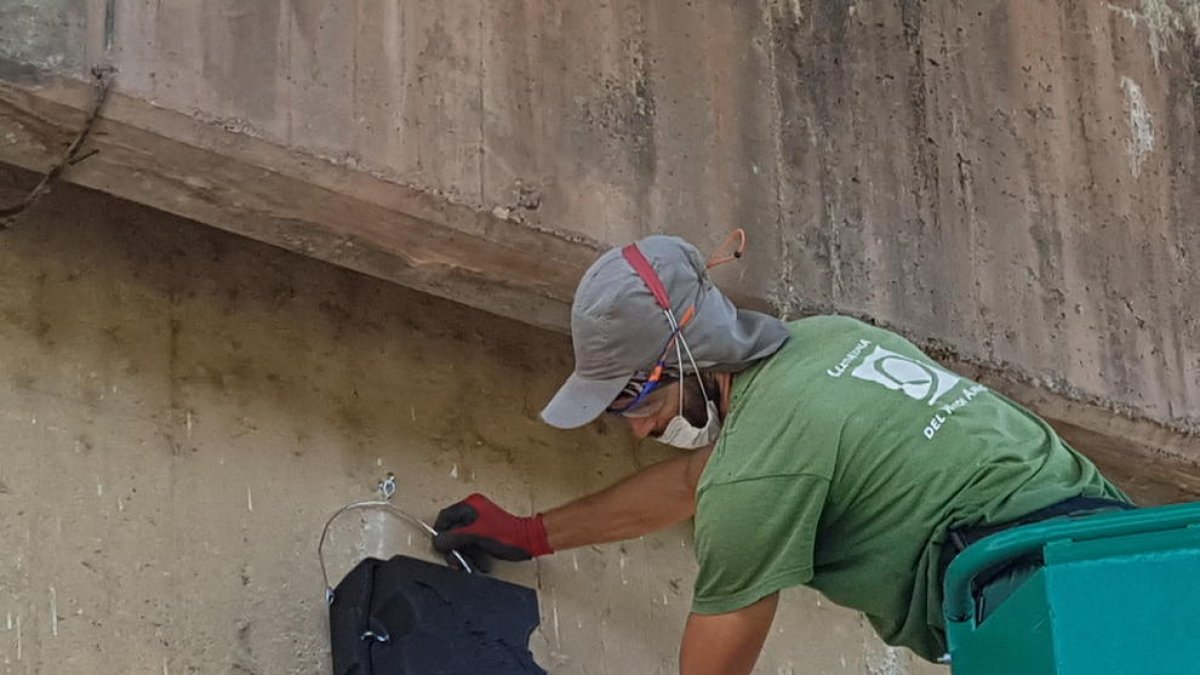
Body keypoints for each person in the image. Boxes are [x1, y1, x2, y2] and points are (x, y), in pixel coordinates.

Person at [432, 234, 1131, 673]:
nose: (638, 430)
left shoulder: (761, 465)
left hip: (1030, 604)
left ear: (687, 354)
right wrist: (529, 533)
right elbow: (692, 484)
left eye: (631, 400)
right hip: (1123, 555)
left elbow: (719, 651)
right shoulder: (826, 340)